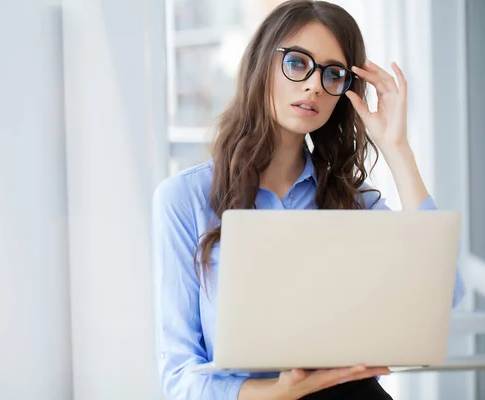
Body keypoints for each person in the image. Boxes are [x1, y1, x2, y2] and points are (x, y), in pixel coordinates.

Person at [151, 1, 466, 399]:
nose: (315, 85)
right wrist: (281, 391)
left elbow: (444, 292)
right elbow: (180, 377)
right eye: (298, 64)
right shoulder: (184, 199)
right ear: (262, 64)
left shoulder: (351, 200)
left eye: (333, 74)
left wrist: (397, 148)